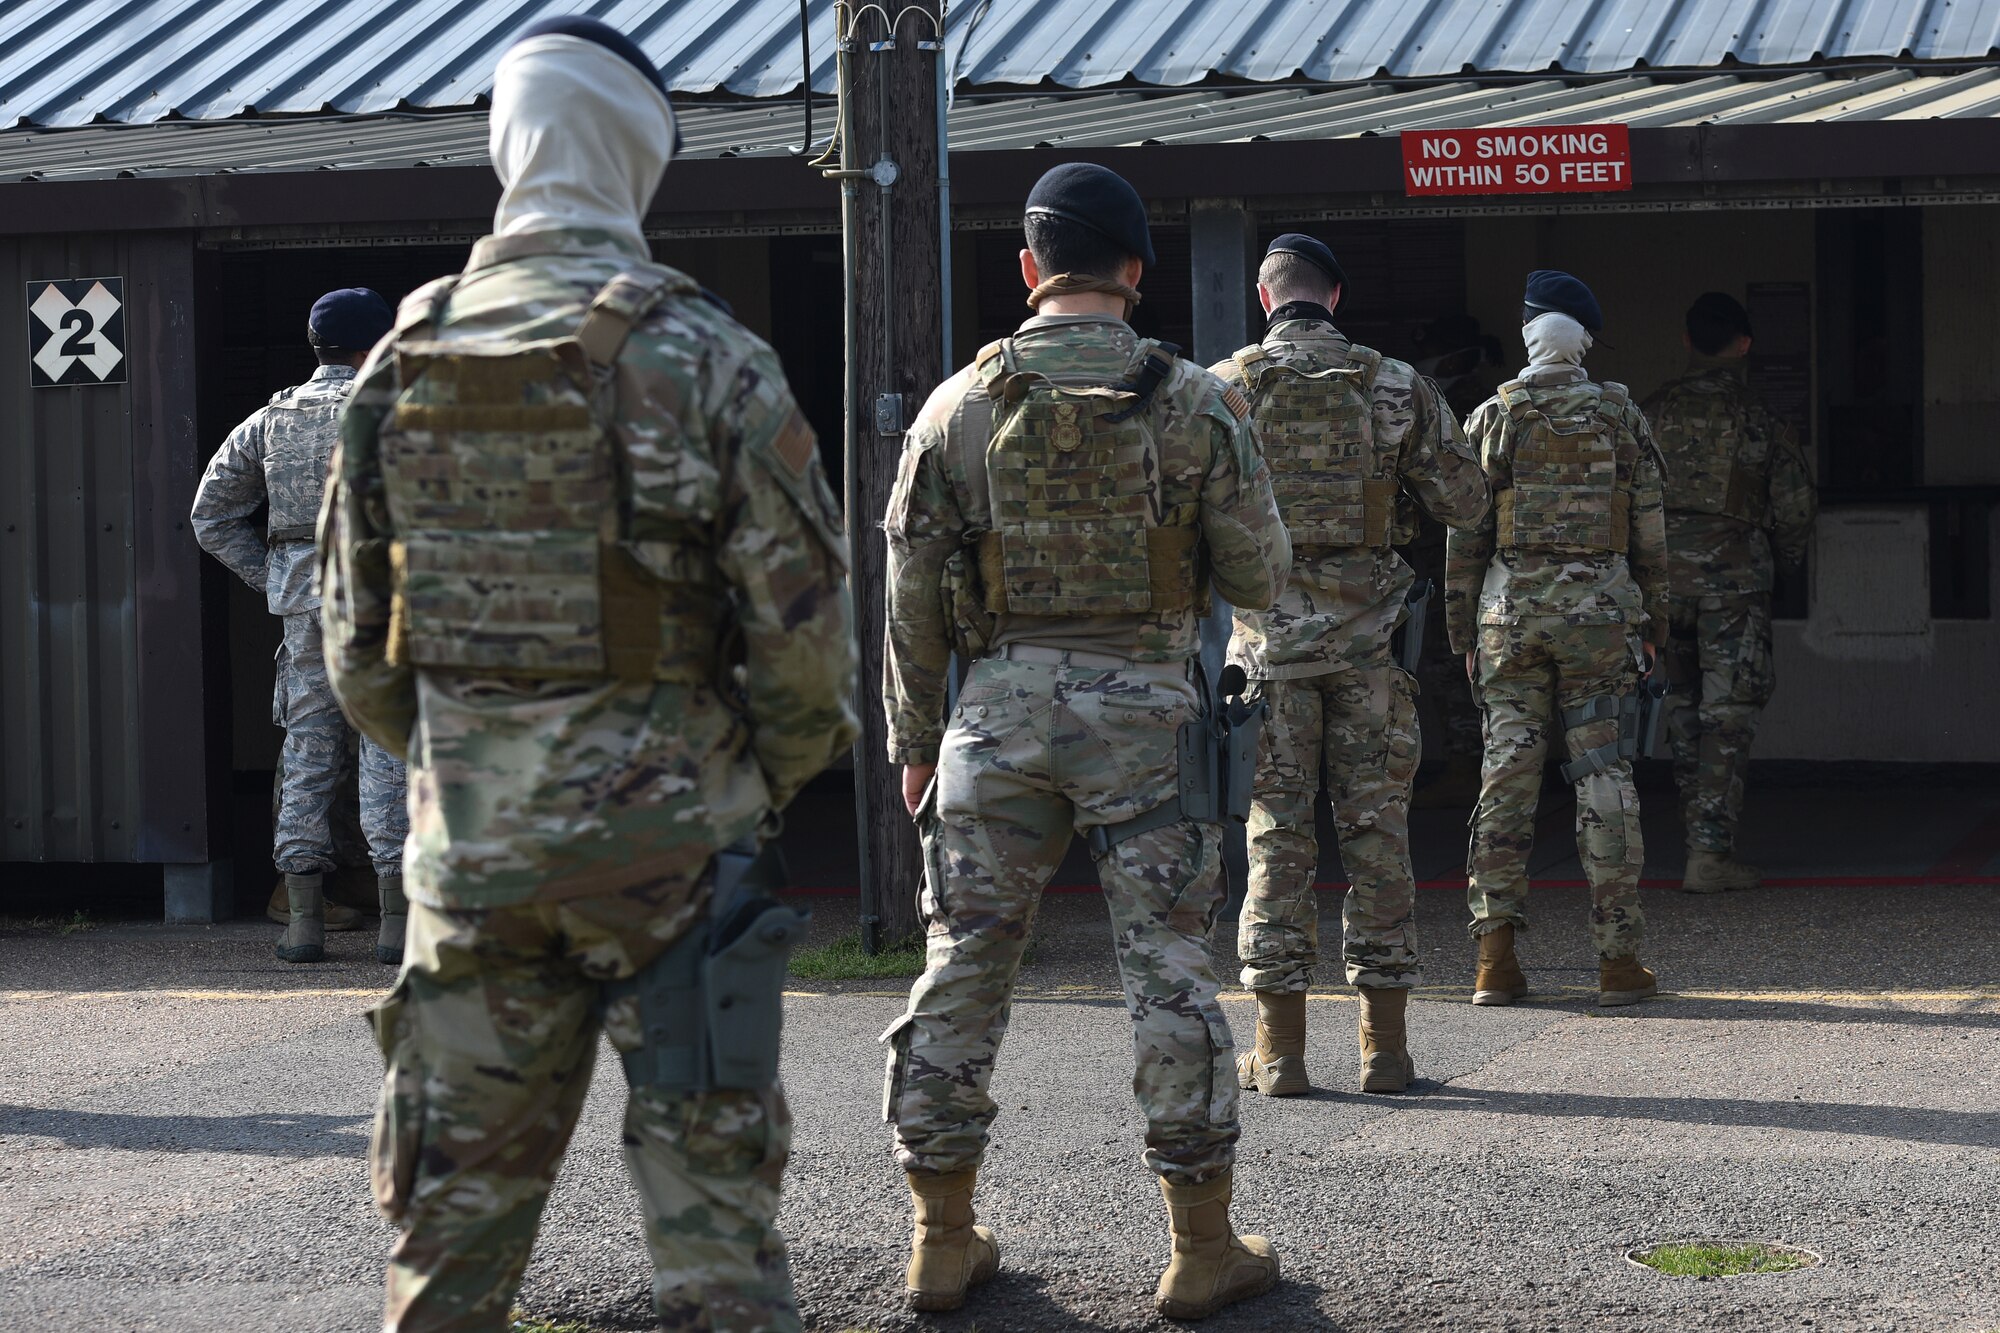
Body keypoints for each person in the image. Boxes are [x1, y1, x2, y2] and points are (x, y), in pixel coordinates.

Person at [317, 18, 857, 1332]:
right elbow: (803, 653)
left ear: (509, 144)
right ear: (640, 161)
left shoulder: (401, 361)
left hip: (473, 872)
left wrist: (470, 765)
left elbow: (355, 652)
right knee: (716, 1246)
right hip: (677, 865)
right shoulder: (711, 359)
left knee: (447, 1251)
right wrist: (741, 786)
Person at [880, 162, 1291, 1320]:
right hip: (1146, 717)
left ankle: (939, 1237)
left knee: (961, 963)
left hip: (994, 716)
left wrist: (914, 734)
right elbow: (1261, 571)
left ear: (1027, 269)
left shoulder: (955, 405)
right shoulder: (1196, 399)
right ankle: (1199, 1247)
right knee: (1164, 967)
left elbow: (907, 592)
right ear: (1136, 270)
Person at [1213, 236, 1488, 1097]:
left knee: (1276, 842)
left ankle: (1282, 1052)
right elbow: (1468, 500)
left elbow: (1182, 513)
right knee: (1378, 838)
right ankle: (1385, 1050)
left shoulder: (1224, 387)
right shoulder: (1397, 384)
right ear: (1335, 294)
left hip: (1267, 656)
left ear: (1266, 299)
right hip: (1370, 652)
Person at [1445, 271, 1669, 1009]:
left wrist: (1461, 631)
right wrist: (1655, 624)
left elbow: (1465, 537)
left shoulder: (1495, 416)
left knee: (1507, 776)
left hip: (1510, 621)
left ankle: (1495, 961)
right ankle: (1617, 960)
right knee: (1603, 772)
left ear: (1530, 336)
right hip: (1600, 619)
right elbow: (1651, 537)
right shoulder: (1619, 416)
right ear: (1585, 341)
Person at [192, 287, 409, 965]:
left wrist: (274, 577)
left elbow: (211, 515)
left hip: (304, 609)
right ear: (377, 345)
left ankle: (304, 924)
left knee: (309, 754)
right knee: (387, 752)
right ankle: (396, 927)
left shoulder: (270, 418)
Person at [1641, 293, 1817, 893]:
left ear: (1689, 341)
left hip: (1665, 585)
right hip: (1734, 586)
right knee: (1728, 715)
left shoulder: (1652, 410)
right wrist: (1788, 565)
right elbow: (1794, 506)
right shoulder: (1758, 415)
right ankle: (1708, 852)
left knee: (1684, 708)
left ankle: (1700, 839)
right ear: (1744, 344)